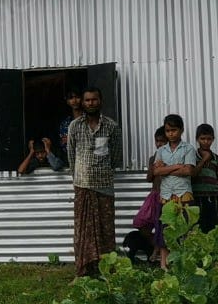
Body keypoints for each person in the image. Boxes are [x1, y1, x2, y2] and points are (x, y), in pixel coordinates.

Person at [67, 88, 122, 276]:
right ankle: (83, 270)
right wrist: (78, 177)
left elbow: (115, 156)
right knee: (83, 231)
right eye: (87, 100)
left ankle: (106, 271)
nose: (91, 103)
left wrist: (102, 170)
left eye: (94, 100)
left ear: (101, 101)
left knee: (106, 230)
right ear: (83, 103)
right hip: (82, 185)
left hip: (104, 185)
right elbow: (71, 155)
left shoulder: (111, 126)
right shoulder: (75, 126)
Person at [153, 114, 198, 268]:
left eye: (174, 130)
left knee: (185, 230)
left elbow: (189, 171)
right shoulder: (161, 150)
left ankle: (184, 264)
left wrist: (165, 169)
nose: (171, 133)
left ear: (181, 130)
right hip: (165, 195)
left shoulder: (188, 148)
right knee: (166, 231)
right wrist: (177, 166)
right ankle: (164, 265)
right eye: (168, 130)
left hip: (183, 193)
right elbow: (156, 172)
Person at [130, 127, 168, 254]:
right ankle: (154, 246)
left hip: (167, 196)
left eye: (162, 141)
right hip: (154, 195)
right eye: (157, 141)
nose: (159, 144)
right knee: (142, 223)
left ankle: (159, 251)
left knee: (161, 225)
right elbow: (149, 178)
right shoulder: (153, 158)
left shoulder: (172, 158)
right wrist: (154, 165)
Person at [193, 123, 218, 231]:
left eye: (209, 139)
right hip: (197, 197)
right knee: (198, 225)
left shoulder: (217, 159)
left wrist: (216, 185)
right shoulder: (192, 156)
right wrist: (204, 160)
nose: (206, 142)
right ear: (197, 139)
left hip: (214, 198)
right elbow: (192, 174)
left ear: (213, 139)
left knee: (215, 224)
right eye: (202, 139)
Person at [58, 90, 83, 163]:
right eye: (71, 98)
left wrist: (71, 139)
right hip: (70, 161)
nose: (74, 100)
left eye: (77, 97)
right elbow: (65, 145)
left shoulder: (89, 119)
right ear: (67, 101)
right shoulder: (65, 123)